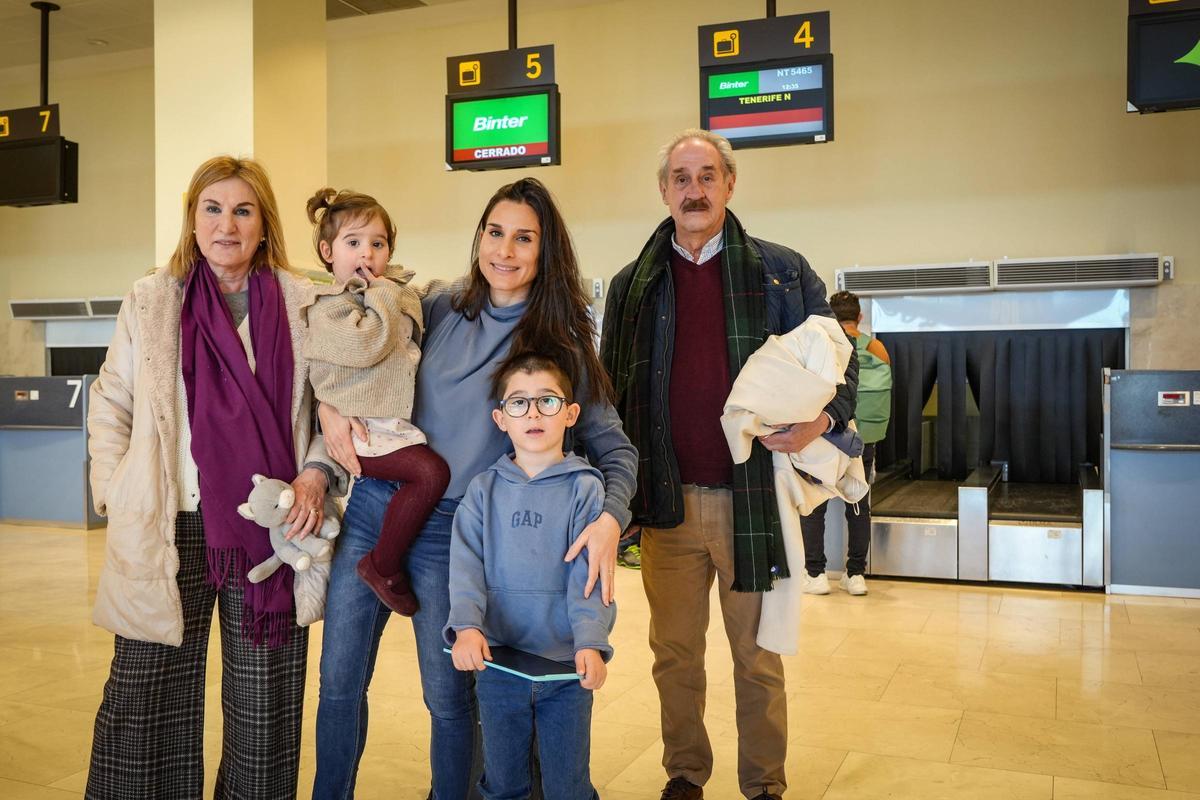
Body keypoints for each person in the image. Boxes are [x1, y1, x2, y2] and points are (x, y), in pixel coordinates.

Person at [313, 177, 637, 800]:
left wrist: (610, 518)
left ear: (546, 252)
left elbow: (614, 447)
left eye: (524, 238)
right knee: (338, 681)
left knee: (450, 695)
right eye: (495, 232)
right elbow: (343, 354)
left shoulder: (558, 347)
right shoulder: (434, 306)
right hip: (375, 510)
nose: (505, 251)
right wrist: (328, 409)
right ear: (478, 236)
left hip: (452, 530)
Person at [601, 129, 857, 800]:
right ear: (664, 190)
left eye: (707, 175)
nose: (695, 190)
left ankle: (764, 784)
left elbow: (840, 361)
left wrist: (822, 421)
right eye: (681, 178)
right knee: (674, 657)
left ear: (730, 185)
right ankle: (685, 775)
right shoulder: (632, 286)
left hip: (755, 500)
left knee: (758, 656)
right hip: (667, 506)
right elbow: (613, 396)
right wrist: (616, 500)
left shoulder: (782, 271)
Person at [85, 155, 347, 799]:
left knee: (266, 703)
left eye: (242, 210)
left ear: (264, 224)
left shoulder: (303, 301)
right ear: (192, 218)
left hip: (271, 530)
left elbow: (335, 410)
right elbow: (113, 400)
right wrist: (116, 490)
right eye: (212, 208)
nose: (226, 224)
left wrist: (317, 472)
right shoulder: (152, 298)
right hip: (166, 522)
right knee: (145, 696)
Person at [446, 351, 615, 800]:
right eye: (519, 403)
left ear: (571, 413)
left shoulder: (586, 487)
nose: (534, 413)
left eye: (547, 401)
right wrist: (465, 627)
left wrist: (591, 643)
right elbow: (465, 567)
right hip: (499, 664)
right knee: (502, 783)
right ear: (501, 419)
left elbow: (591, 576)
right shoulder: (483, 490)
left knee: (568, 784)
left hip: (566, 668)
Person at [303, 188, 451, 615]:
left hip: (389, 425)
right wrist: (385, 294)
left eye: (378, 243)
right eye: (353, 243)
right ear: (328, 252)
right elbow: (367, 343)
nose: (367, 253)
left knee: (427, 474)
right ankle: (382, 565)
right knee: (430, 473)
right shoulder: (328, 307)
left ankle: (385, 560)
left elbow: (425, 300)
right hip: (360, 430)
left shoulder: (391, 291)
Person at [800, 290, 891, 596]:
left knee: (816, 504)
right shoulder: (875, 348)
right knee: (858, 503)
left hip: (825, 436)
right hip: (863, 439)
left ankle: (816, 575)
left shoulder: (824, 345)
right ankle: (855, 575)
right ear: (859, 317)